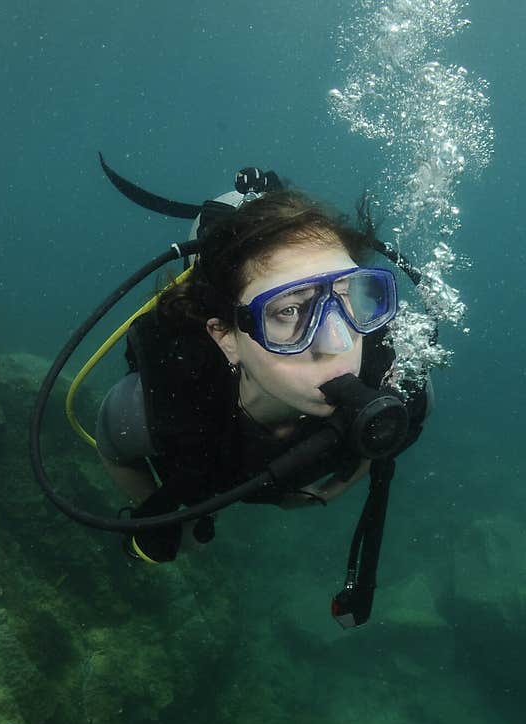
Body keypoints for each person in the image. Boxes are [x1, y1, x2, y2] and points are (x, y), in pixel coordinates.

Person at [94, 185, 430, 571]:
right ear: (226, 337)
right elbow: (112, 447)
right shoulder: (160, 404)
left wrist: (334, 489)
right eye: (288, 311)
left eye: (347, 294)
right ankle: (230, 207)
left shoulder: (390, 378)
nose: (337, 342)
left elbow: (399, 428)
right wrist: (162, 516)